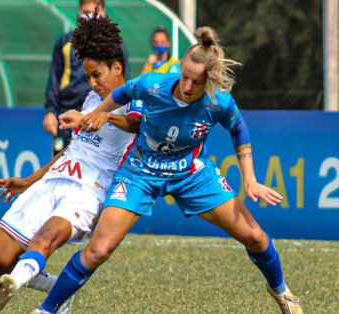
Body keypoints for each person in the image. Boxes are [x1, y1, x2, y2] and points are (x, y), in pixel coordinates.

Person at [33, 27, 303, 314]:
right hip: (140, 171)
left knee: (256, 238)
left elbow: (239, 129)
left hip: (191, 174)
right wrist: (93, 115)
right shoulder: (152, 85)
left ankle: (282, 292)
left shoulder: (218, 101)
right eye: (184, 76)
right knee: (98, 250)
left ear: (208, 81)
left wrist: (250, 180)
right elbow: (121, 93)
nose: (186, 86)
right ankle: (47, 310)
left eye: (196, 82)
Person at [0, 12, 141, 314]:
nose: (92, 84)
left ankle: (18, 287)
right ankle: (59, 288)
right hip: (55, 180)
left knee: (44, 239)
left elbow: (138, 126)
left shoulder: (138, 102)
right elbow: (70, 150)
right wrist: (29, 180)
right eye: (88, 76)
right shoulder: (93, 101)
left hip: (87, 192)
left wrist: (105, 116)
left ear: (117, 68)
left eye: (97, 75)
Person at [43, 0, 130, 156]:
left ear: (102, 11)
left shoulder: (115, 46)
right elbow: (54, 79)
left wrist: (108, 115)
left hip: (102, 115)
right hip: (68, 112)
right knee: (64, 159)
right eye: (85, 12)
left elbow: (123, 87)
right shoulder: (65, 42)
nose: (92, 83)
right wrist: (50, 111)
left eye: (93, 11)